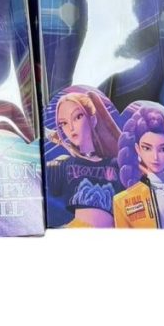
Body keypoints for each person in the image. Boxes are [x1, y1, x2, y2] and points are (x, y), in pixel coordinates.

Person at [44, 89, 122, 228]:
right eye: (64, 123)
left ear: (93, 119)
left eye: (78, 117)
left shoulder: (116, 164)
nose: (71, 128)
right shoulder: (64, 164)